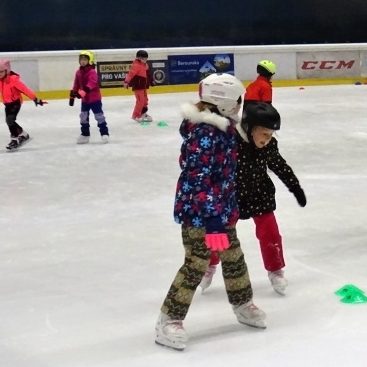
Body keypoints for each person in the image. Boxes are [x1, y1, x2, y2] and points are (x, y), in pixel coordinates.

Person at [155, 73, 265, 351]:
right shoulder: (205, 133)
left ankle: (242, 304)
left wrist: (227, 209)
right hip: (199, 213)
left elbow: (223, 174)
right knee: (196, 262)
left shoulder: (223, 128)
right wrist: (212, 217)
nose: (240, 105)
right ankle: (168, 321)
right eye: (238, 100)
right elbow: (198, 178)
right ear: (224, 102)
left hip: (220, 209)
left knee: (233, 257)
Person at [201, 101, 306, 296]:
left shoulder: (268, 146)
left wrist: (295, 187)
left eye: (271, 135)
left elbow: (279, 165)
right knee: (220, 234)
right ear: (249, 128)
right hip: (231, 197)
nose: (268, 139)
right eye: (264, 134)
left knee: (270, 233)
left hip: (260, 194)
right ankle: (209, 265)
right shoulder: (230, 142)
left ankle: (276, 270)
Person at [0, 58, 45, 151]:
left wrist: (35, 99)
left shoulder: (13, 79)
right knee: (10, 121)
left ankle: (15, 139)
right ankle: (23, 134)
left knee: (10, 120)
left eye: (1, 71)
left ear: (7, 70)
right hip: (7, 104)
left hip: (15, 103)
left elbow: (24, 89)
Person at [70, 50, 109, 144]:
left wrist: (82, 93)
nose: (83, 61)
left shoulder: (92, 72)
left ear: (90, 60)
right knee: (83, 117)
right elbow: (76, 84)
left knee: (99, 116)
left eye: (85, 60)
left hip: (95, 99)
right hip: (85, 101)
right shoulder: (78, 72)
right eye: (81, 59)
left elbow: (92, 84)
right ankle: (85, 135)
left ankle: (104, 133)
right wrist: (72, 95)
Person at [123, 49, 153, 122]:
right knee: (140, 101)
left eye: (146, 58)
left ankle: (143, 113)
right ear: (138, 58)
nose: (145, 60)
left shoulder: (145, 65)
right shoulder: (136, 66)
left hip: (144, 86)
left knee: (145, 100)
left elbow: (148, 75)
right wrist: (126, 82)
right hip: (138, 87)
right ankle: (136, 115)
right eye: (143, 58)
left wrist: (152, 81)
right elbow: (130, 74)